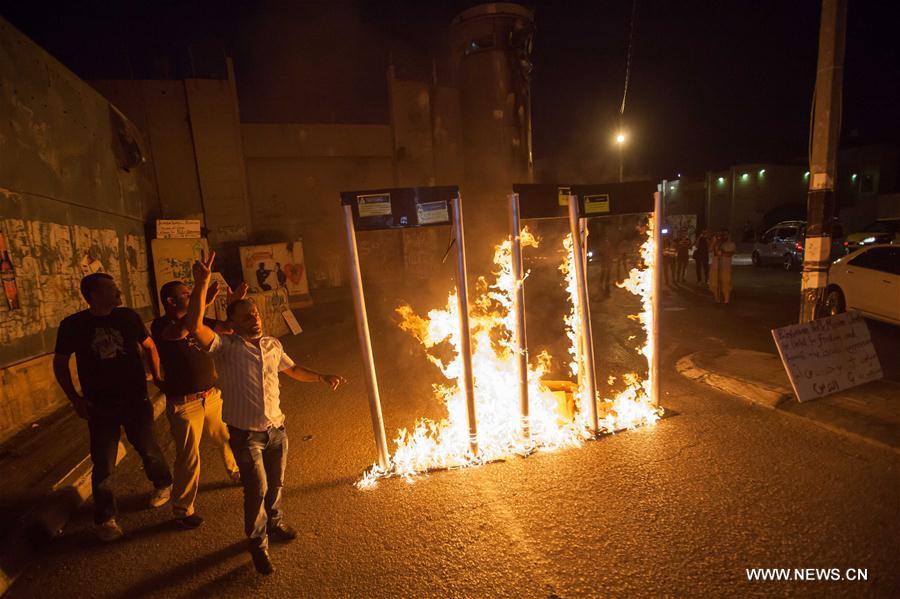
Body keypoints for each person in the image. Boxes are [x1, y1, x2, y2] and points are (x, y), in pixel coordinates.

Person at [186, 252, 345, 575]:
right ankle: (258, 545)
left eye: (255, 314)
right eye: (246, 317)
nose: (254, 319)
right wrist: (202, 284)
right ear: (233, 324)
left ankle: (275, 522)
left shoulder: (272, 345)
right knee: (256, 490)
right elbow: (194, 326)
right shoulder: (225, 348)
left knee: (276, 485)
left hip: (276, 431)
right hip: (246, 436)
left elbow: (293, 369)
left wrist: (321, 376)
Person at [53, 273, 173, 542]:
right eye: (110, 288)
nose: (118, 291)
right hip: (99, 404)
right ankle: (105, 518)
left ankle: (164, 483)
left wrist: (157, 377)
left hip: (135, 399)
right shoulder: (73, 325)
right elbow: (60, 363)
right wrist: (75, 399)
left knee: (148, 448)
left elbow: (150, 346)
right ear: (93, 295)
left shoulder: (128, 317)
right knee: (103, 461)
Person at [151, 279, 249, 529]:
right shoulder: (161, 325)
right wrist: (203, 300)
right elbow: (183, 331)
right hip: (185, 404)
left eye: (191, 293)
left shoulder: (199, 319)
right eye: (187, 294)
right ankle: (183, 510)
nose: (192, 296)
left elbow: (228, 328)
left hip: (211, 396)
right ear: (171, 302)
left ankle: (237, 472)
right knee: (189, 457)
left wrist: (234, 303)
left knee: (226, 437)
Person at [709, 231, 737, 303]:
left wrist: (722, 252)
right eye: (722, 234)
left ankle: (726, 300)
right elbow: (710, 250)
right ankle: (717, 299)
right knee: (714, 284)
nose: (723, 236)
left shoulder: (731, 244)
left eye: (726, 234)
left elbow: (730, 254)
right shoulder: (716, 243)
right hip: (715, 267)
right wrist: (713, 242)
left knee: (726, 283)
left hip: (725, 267)